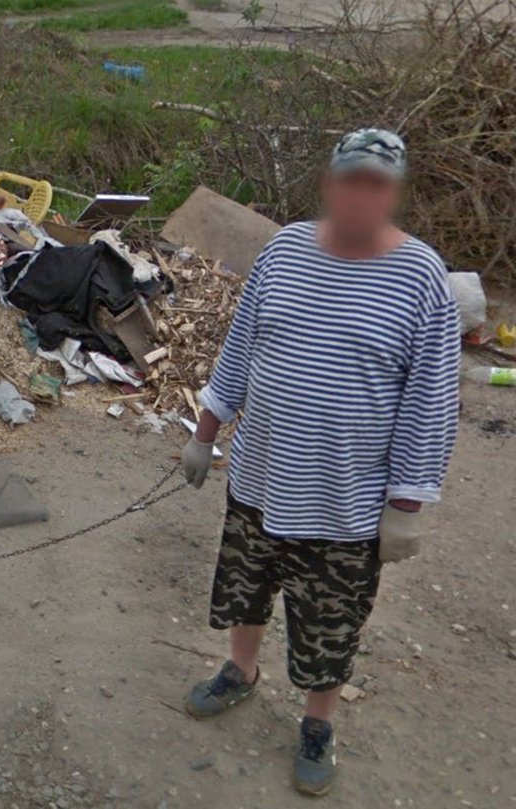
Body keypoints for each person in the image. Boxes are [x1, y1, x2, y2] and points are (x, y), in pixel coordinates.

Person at [179, 128, 460, 797]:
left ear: (394, 194)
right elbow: (241, 348)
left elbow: (431, 402)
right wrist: (204, 430)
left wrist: (407, 506)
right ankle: (240, 673)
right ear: (329, 185)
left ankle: (317, 722)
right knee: (247, 588)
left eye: (377, 185)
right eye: (351, 181)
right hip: (260, 476)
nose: (362, 196)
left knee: (328, 621)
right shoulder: (283, 251)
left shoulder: (423, 278)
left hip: (344, 505)